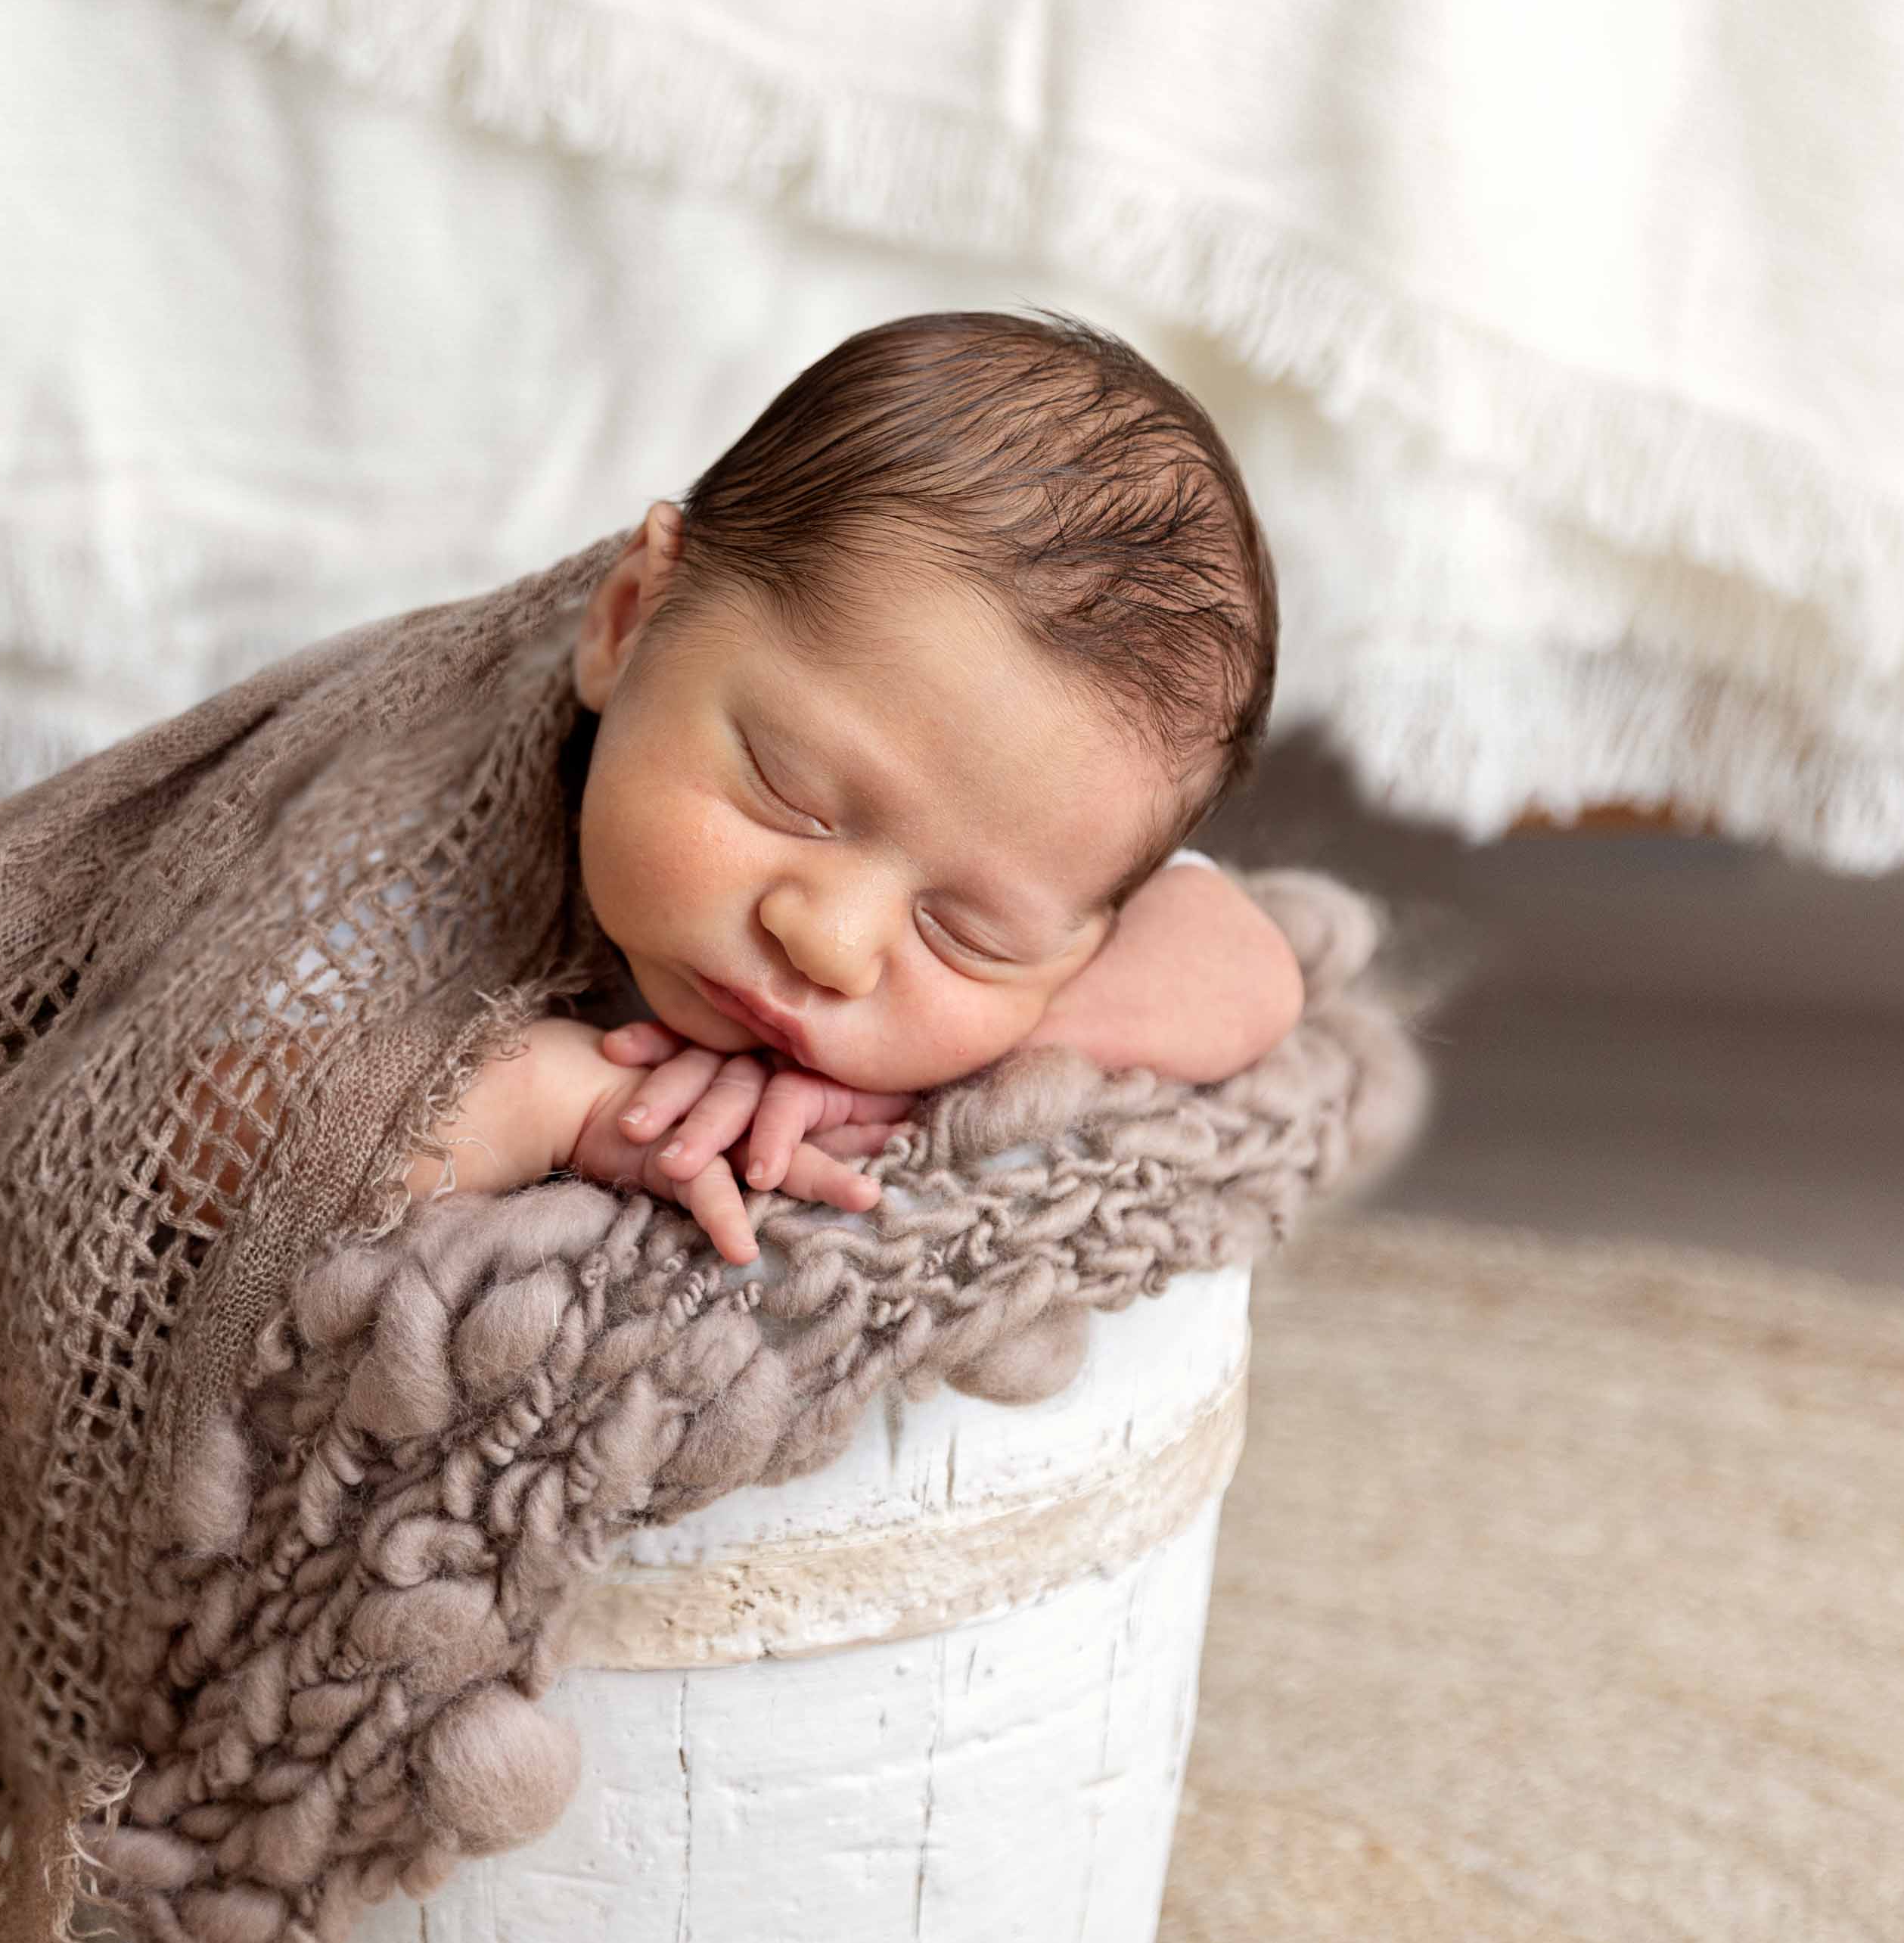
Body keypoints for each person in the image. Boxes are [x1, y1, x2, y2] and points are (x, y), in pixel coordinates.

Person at [399, 310, 1309, 1264]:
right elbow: (236, 1118)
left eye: (966, 933)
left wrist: (915, 1077)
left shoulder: (1047, 842)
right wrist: (558, 1096)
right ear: (631, 620)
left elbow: (1251, 973)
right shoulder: (417, 829)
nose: (829, 947)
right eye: (788, 795)